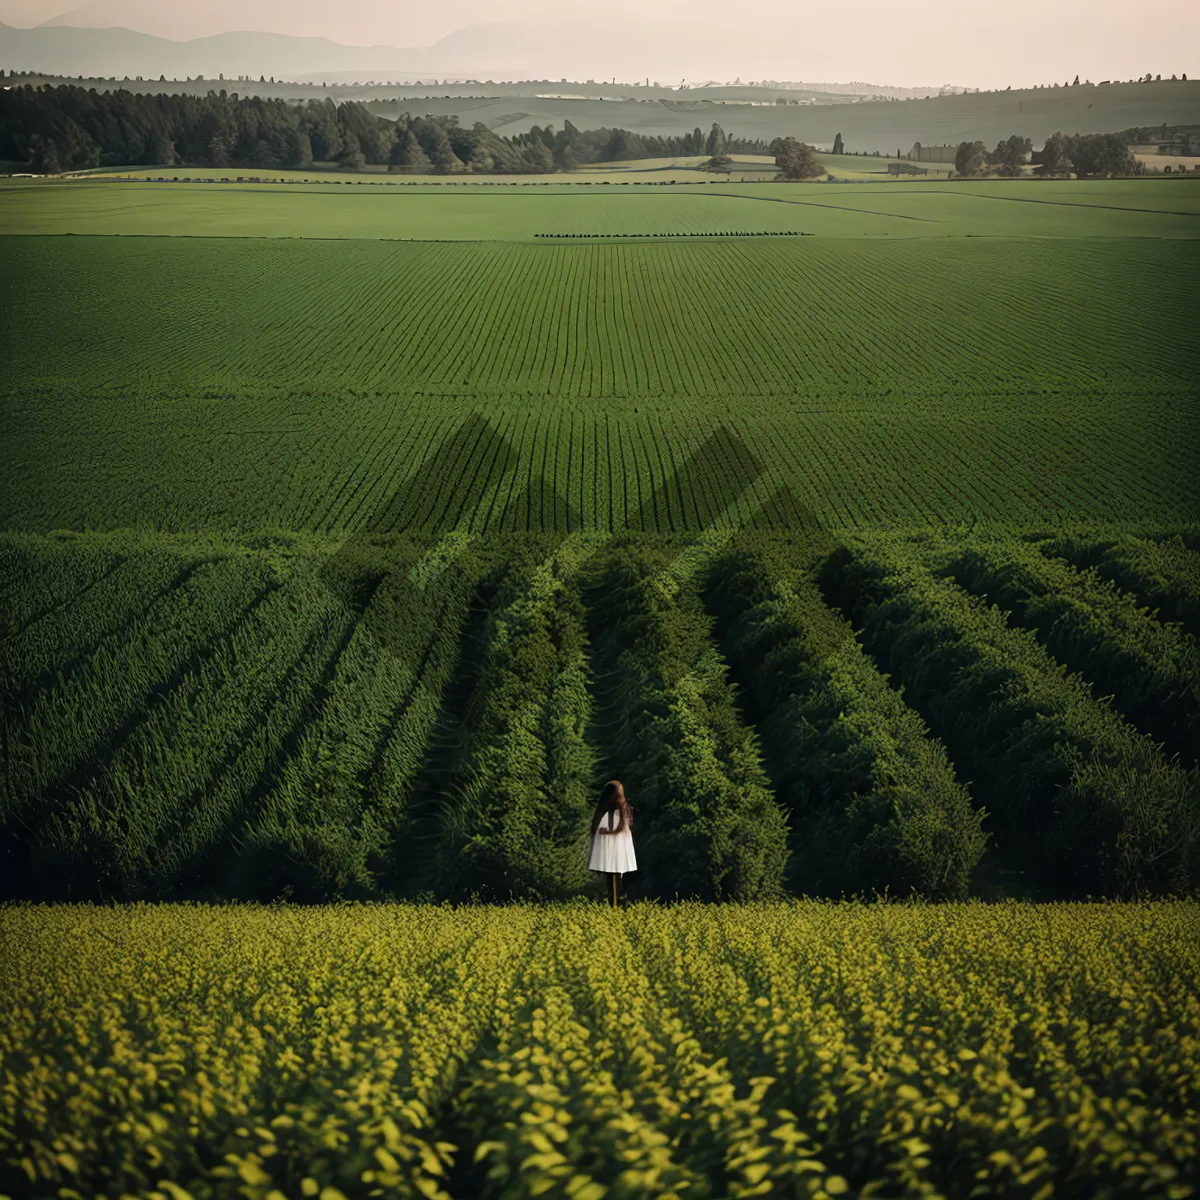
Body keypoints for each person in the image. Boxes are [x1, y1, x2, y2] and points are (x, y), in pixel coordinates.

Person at [588, 780, 637, 908]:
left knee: (617, 876)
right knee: (613, 877)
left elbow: (621, 827)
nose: (622, 798)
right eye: (619, 795)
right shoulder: (609, 812)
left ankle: (618, 901)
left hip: (619, 846)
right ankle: (614, 902)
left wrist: (608, 832)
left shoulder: (621, 810)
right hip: (613, 848)